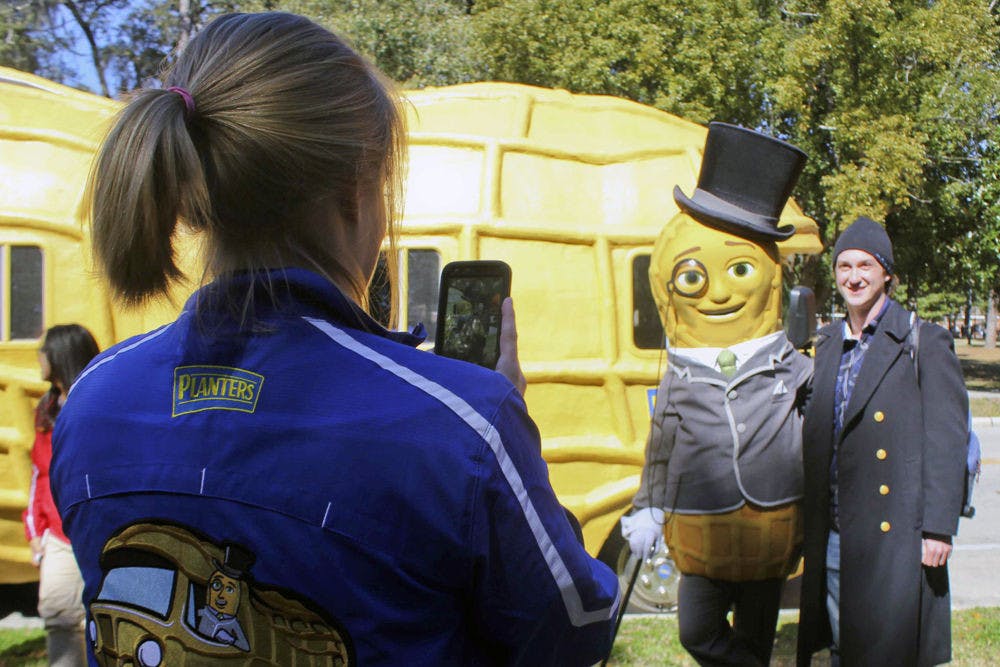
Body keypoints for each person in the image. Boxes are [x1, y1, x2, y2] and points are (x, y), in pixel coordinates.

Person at [48, 12, 617, 666]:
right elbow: (574, 628)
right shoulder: (462, 424)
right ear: (355, 193)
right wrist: (503, 429)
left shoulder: (90, 402)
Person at [622, 123, 811, 666]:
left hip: (770, 534)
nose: (722, 291)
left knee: (754, 638)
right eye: (695, 278)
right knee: (696, 631)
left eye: (741, 269)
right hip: (701, 534)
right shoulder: (679, 379)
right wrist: (647, 508)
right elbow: (661, 446)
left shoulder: (796, 370)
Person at [796, 216, 969, 666]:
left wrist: (938, 527)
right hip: (834, 529)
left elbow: (947, 440)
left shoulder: (923, 341)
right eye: (844, 266)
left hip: (897, 535)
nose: (853, 277)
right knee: (842, 648)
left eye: (866, 266)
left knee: (886, 654)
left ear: (887, 273)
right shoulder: (827, 343)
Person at [22, 323, 100, 666]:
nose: (39, 357)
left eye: (45, 350)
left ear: (63, 356)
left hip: (99, 532)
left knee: (110, 621)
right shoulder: (47, 407)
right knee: (58, 618)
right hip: (57, 537)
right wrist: (34, 530)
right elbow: (38, 472)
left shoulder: (101, 401)